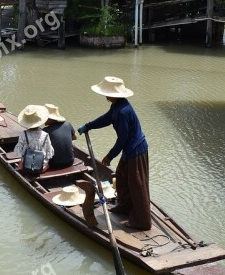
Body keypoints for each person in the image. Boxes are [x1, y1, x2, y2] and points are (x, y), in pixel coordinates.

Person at [78, 76, 150, 231]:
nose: (105, 96)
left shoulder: (123, 111)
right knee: (122, 178)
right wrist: (89, 126)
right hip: (129, 150)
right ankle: (124, 207)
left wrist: (110, 156)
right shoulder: (117, 106)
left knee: (137, 186)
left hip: (136, 150)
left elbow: (123, 138)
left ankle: (142, 221)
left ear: (114, 95)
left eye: (107, 93)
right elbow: (106, 119)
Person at [14, 105, 54, 174]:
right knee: (47, 164)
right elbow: (50, 154)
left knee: (20, 163)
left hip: (26, 166)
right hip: (41, 168)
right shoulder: (46, 135)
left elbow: (18, 152)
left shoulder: (24, 134)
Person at [43, 104, 77, 170]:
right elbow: (74, 138)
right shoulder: (67, 124)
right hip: (70, 161)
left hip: (54, 164)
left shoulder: (45, 131)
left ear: (50, 118)